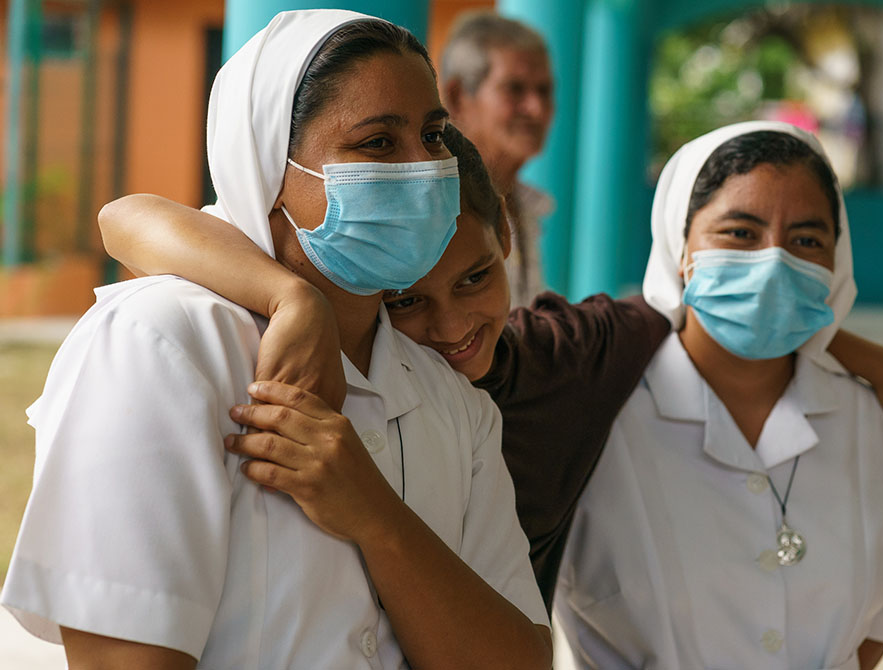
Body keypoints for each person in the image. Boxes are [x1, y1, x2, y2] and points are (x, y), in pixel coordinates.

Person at [99, 128, 883, 618]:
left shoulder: (570, 355)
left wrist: (870, 357)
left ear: (508, 244)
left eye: (474, 279)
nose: (447, 326)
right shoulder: (324, 368)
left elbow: (719, 310)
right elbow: (125, 216)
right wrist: (297, 299)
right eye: (405, 301)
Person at [1, 10, 553, 669]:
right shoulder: (163, 344)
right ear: (266, 162)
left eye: (433, 135)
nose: (425, 169)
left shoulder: (453, 404)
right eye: (377, 143)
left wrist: (377, 520)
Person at [552, 122, 883, 670]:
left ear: (836, 264)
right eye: (740, 233)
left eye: (807, 240)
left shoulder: (873, 423)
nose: (774, 263)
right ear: (681, 247)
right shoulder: (600, 418)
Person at [439, 11, 555, 306]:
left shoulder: (528, 207)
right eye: (514, 89)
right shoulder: (438, 210)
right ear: (458, 98)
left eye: (545, 91)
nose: (536, 109)